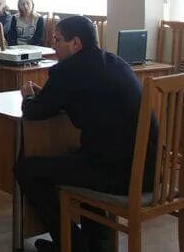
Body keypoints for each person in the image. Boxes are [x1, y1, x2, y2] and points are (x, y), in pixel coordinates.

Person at [15, 16, 157, 252]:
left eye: (58, 39)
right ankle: (97, 242)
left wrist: (28, 95)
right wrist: (51, 97)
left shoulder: (69, 70)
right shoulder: (114, 61)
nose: (54, 45)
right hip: (148, 170)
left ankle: (73, 245)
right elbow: (86, 99)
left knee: (26, 170)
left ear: (76, 44)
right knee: (78, 156)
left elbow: (33, 112)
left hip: (119, 175)